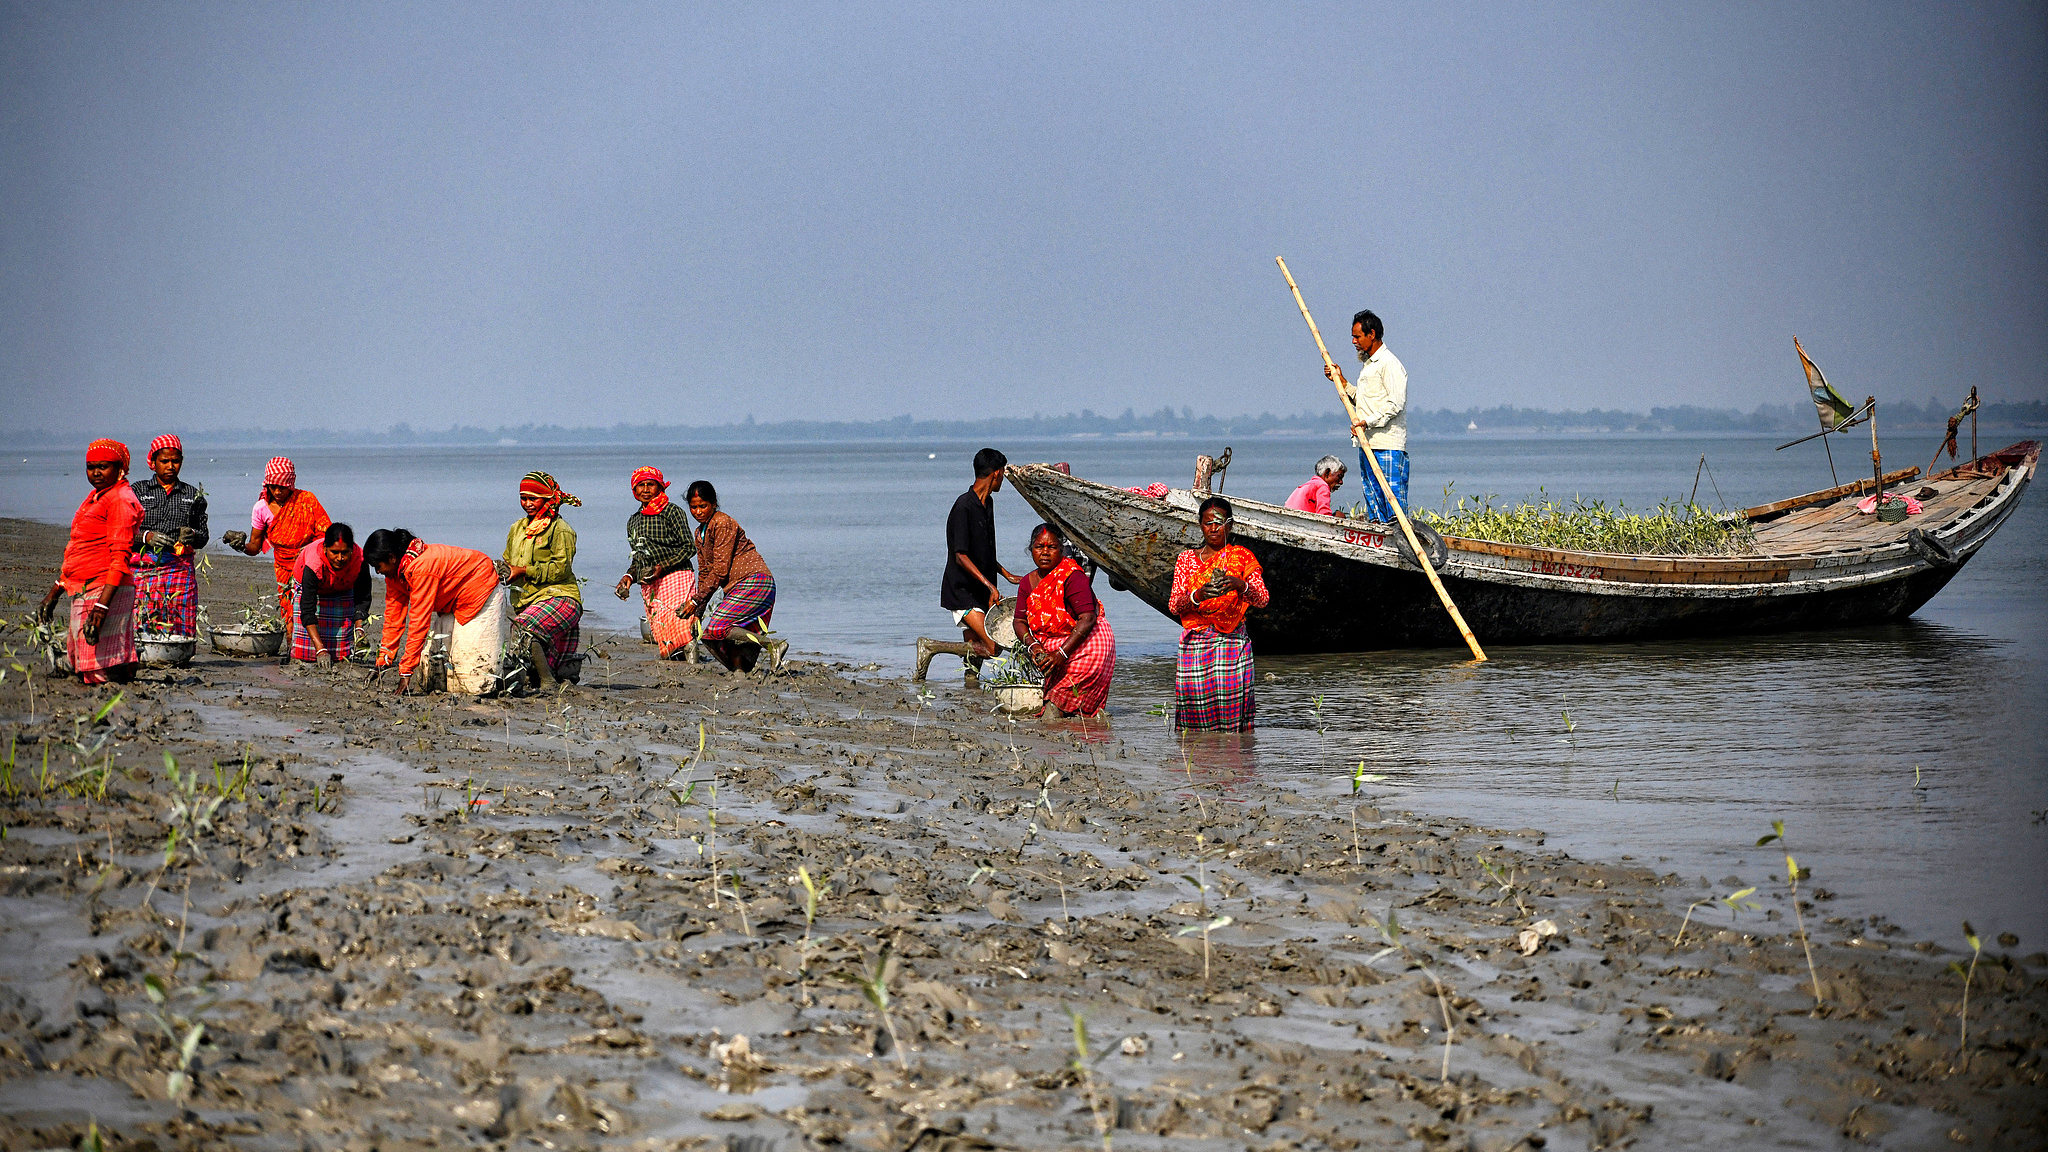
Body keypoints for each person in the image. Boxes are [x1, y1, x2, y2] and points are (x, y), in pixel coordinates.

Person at [40, 440, 145, 685]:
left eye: (103, 467)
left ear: (120, 469)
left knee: (96, 669)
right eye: (90, 467)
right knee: (85, 661)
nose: (95, 472)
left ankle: (116, 711)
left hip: (104, 589)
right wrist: (56, 590)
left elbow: (120, 559)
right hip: (86, 588)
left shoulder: (120, 500)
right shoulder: (97, 496)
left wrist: (101, 608)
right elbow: (80, 549)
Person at [364, 529, 509, 696]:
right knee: (431, 673)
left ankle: (507, 678)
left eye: (378, 566)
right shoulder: (395, 575)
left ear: (392, 558)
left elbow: (419, 621)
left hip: (480, 591)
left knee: (474, 681)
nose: (377, 572)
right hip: (452, 600)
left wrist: (405, 672)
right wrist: (383, 661)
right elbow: (393, 619)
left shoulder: (422, 568)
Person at [1167, 496, 1270, 731]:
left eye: (1219, 522)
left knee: (1232, 703)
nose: (1213, 529)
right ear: (1200, 525)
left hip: (1232, 642)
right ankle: (1199, 762)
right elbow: (1174, 605)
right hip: (1196, 642)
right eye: (1207, 523)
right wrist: (1198, 595)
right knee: (1195, 708)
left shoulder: (1242, 557)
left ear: (1230, 525)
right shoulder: (1186, 560)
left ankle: (1235, 760)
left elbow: (1262, 599)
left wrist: (1239, 584)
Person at [679, 480, 783, 674]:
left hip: (754, 582)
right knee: (710, 638)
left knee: (716, 629)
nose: (698, 511)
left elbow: (720, 570)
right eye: (694, 507)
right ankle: (739, 674)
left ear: (714, 504)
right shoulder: (699, 533)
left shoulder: (722, 523)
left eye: (703, 506)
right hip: (737, 588)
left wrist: (694, 601)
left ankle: (773, 645)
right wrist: (698, 613)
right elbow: (704, 574)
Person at [222, 456, 331, 637]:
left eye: (283, 487)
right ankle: (293, 648)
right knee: (289, 611)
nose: (278, 491)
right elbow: (255, 546)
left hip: (311, 565)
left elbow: (327, 535)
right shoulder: (261, 508)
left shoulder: (307, 500)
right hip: (284, 568)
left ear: (291, 484)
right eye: (273, 487)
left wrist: (309, 551)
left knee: (313, 607)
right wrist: (241, 546)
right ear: (267, 486)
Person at [1014, 523, 1114, 718]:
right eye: (1039, 547)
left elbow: (1088, 618)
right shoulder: (1027, 582)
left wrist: (1061, 654)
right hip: (1055, 644)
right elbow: (1019, 620)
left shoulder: (1072, 576)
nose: (1044, 552)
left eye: (1051, 547)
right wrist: (1033, 645)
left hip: (1088, 644)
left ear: (1061, 550)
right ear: (1031, 550)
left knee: (1056, 709)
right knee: (1058, 708)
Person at [1321, 309, 1408, 522]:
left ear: (1372, 335)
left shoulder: (1389, 364)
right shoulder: (1368, 366)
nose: (1353, 341)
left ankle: (1401, 543)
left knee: (1393, 504)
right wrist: (1340, 381)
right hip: (1367, 443)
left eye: (1358, 336)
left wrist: (1367, 422)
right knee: (1374, 501)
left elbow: (1395, 404)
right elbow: (1362, 400)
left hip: (1387, 445)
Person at [505, 471, 583, 688]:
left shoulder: (561, 530)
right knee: (527, 651)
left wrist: (523, 571)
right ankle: (547, 675)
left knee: (522, 627)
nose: (527, 503)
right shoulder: (517, 528)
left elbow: (560, 568)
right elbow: (508, 560)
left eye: (533, 498)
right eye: (523, 498)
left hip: (561, 598)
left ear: (548, 499)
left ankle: (549, 682)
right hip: (529, 602)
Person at [940, 448, 1019, 658]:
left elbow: (982, 551)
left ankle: (971, 687)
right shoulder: (963, 506)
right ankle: (931, 647)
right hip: (962, 591)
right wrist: (990, 585)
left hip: (980, 590)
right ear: (996, 473)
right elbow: (961, 555)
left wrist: (1006, 574)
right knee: (993, 647)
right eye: (1003, 473)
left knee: (973, 650)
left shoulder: (987, 504)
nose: (1003, 479)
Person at [128, 434, 209, 637]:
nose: (170, 466)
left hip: (178, 567)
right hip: (142, 567)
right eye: (165, 461)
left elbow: (204, 535)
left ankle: (178, 650)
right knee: (141, 616)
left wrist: (191, 535)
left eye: (175, 461)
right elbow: (122, 530)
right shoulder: (136, 491)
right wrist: (145, 537)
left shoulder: (193, 495)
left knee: (179, 617)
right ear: (153, 463)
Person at [613, 465, 697, 660]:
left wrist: (662, 567)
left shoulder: (672, 512)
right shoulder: (633, 521)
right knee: (663, 630)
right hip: (651, 583)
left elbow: (688, 548)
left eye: (650, 484)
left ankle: (694, 666)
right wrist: (628, 577)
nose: (645, 490)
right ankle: (677, 667)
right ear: (634, 490)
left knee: (681, 623)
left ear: (660, 487)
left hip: (678, 576)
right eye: (640, 486)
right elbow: (638, 557)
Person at [291, 523, 371, 666]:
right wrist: (320, 649)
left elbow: (363, 596)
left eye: (345, 553)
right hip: (313, 589)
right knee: (304, 654)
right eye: (334, 552)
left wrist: (359, 627)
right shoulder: (313, 563)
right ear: (325, 548)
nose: (340, 558)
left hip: (342, 588)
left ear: (352, 550)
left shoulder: (360, 560)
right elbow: (308, 609)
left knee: (343, 655)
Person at [1283, 455, 1348, 516]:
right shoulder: (1322, 485)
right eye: (1339, 477)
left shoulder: (1308, 485)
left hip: (1291, 518)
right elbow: (1324, 513)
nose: (1341, 482)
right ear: (1327, 473)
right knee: (1339, 515)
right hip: (1304, 522)